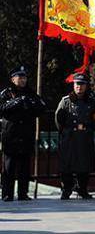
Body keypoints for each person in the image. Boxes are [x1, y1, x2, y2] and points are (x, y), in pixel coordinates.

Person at [0, 66, 46, 202]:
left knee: (24, 167)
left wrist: (29, 103)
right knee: (9, 167)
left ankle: (23, 193)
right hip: (11, 135)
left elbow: (41, 108)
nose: (22, 80)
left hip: (26, 135)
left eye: (24, 77)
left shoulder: (30, 93)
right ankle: (7, 193)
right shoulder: (6, 93)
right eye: (19, 78)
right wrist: (17, 102)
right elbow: (2, 108)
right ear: (13, 79)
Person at [55, 73, 95, 200]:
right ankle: (66, 190)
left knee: (84, 165)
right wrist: (65, 131)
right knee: (67, 165)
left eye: (82, 84)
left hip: (84, 137)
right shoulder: (65, 101)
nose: (79, 87)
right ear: (73, 85)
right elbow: (58, 119)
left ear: (86, 86)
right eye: (77, 84)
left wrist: (89, 128)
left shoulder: (91, 102)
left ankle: (82, 189)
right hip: (69, 138)